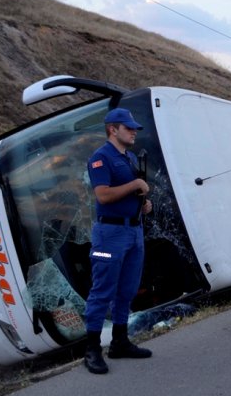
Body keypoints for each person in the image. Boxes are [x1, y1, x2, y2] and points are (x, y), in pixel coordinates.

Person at [84, 108, 154, 375]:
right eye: (129, 127)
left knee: (128, 289)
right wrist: (135, 183)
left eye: (134, 127)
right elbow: (103, 195)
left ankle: (120, 342)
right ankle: (91, 349)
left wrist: (143, 204)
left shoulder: (130, 157)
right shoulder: (101, 158)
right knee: (102, 291)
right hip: (109, 235)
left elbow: (132, 193)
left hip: (134, 232)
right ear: (113, 129)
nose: (134, 131)